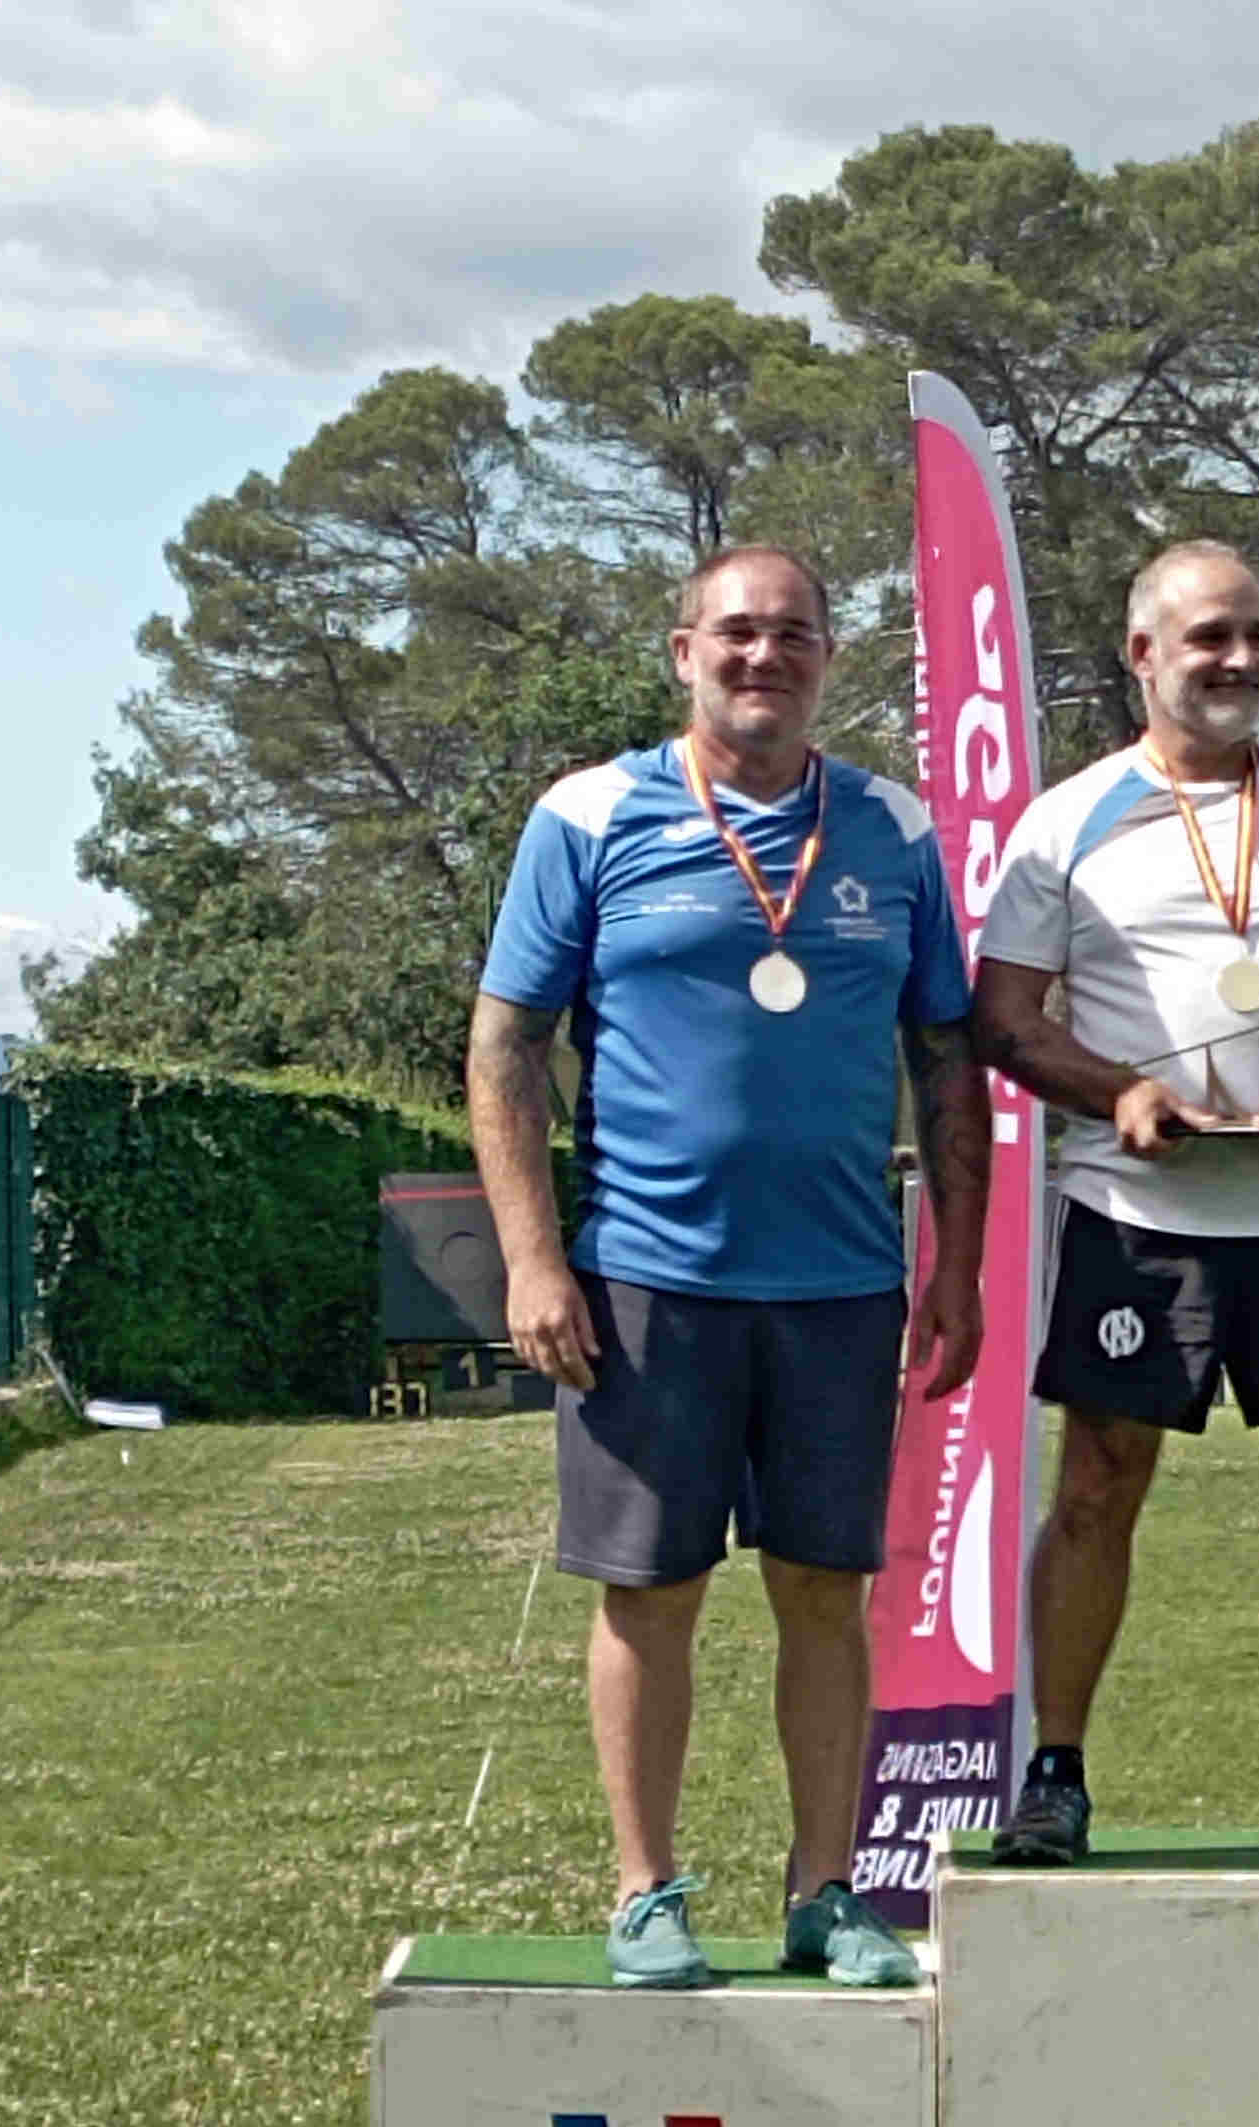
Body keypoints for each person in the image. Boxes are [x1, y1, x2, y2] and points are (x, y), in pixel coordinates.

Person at [468, 544, 989, 1991]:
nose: (767, 657)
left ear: (830, 658)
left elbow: (947, 1057)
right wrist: (531, 1259)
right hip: (646, 1281)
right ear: (684, 650)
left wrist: (954, 1266)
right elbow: (507, 1042)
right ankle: (646, 1893)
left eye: (795, 635)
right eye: (739, 633)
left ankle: (827, 1890)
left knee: (827, 1592)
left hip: (840, 1285)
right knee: (652, 1594)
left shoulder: (891, 827)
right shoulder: (588, 815)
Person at [968, 540, 1259, 1865]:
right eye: (1209, 639)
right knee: (1097, 1485)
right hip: (1138, 1209)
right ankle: (1056, 1773)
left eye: (1256, 635)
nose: (1240, 660)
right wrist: (1114, 1092)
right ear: (1143, 655)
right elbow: (1005, 1016)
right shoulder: (1067, 822)